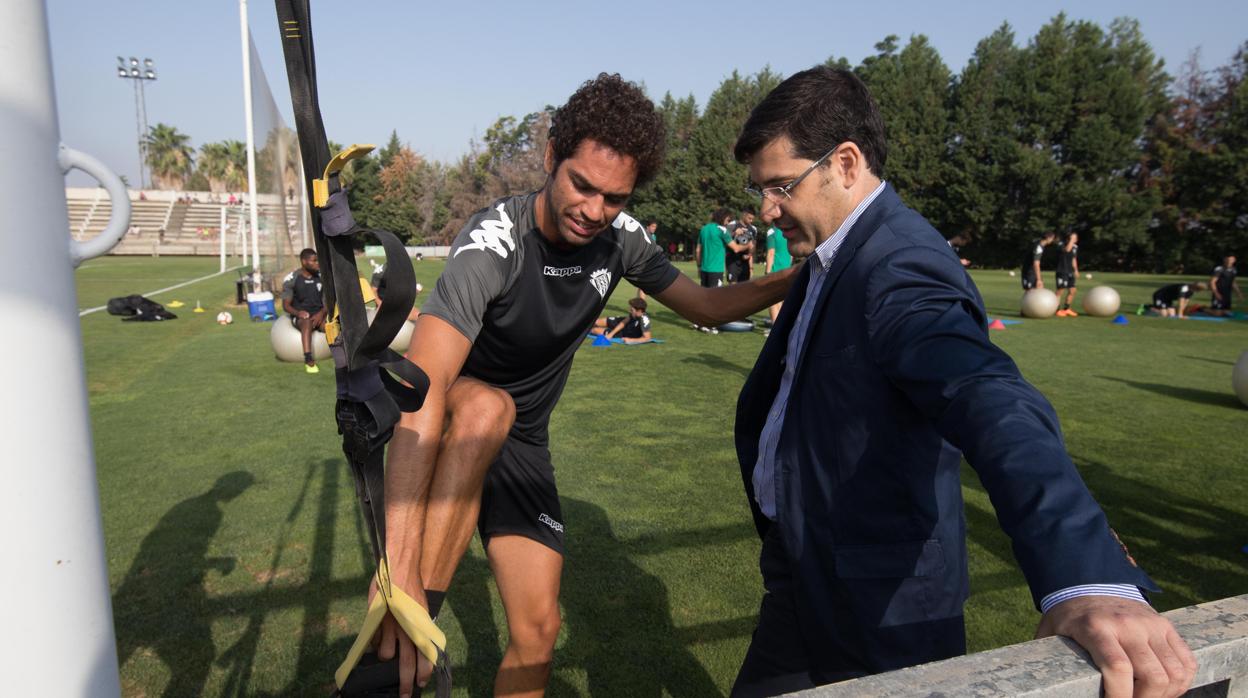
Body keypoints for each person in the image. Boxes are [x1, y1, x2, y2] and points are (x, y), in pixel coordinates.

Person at [730, 66, 1195, 697]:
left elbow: (987, 396)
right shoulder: (831, 254)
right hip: (804, 574)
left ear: (844, 163)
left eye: (780, 186)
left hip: (881, 603)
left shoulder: (897, 264)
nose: (767, 210)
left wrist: (1086, 576)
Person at [377, 73, 797, 697]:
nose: (593, 211)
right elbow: (423, 388)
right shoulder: (494, 242)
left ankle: (406, 636)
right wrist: (397, 569)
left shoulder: (619, 241)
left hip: (523, 448)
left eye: (614, 198)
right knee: (489, 406)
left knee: (539, 630)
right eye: (582, 185)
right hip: (452, 423)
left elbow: (706, 308)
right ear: (551, 159)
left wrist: (808, 269)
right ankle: (401, 635)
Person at [693, 207, 750, 333]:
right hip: (716, 269)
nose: (728, 222)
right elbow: (735, 248)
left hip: (704, 268)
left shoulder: (704, 229)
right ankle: (710, 325)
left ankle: (699, 322)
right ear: (723, 217)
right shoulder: (722, 230)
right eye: (728, 219)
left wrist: (698, 266)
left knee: (704, 297)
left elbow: (698, 250)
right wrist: (748, 245)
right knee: (714, 298)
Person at [280, 248, 326, 374]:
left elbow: (329, 301)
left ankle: (345, 354)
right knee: (306, 321)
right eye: (314, 261)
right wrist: (298, 313)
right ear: (304, 262)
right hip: (301, 316)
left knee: (332, 326)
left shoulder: (322, 276)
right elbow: (286, 305)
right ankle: (308, 358)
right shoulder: (292, 278)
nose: (318, 263)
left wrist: (321, 313)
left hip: (319, 314)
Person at [763, 224, 792, 335]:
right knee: (781, 301)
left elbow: (771, 253)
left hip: (775, 270)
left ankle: (775, 331)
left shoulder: (772, 232)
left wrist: (767, 272)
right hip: (787, 269)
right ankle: (780, 328)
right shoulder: (787, 230)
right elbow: (790, 255)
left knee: (773, 301)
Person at [727, 208, 759, 284]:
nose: (751, 221)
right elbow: (725, 240)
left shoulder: (753, 229)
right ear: (744, 215)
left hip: (745, 262)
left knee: (744, 286)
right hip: (732, 260)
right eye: (749, 218)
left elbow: (753, 245)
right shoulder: (732, 225)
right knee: (732, 286)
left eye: (752, 219)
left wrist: (749, 254)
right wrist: (734, 233)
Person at [1056, 231, 1080, 316]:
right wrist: (1071, 240)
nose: (1075, 239)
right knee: (1060, 290)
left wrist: (1076, 270)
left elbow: (1074, 259)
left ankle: (1067, 309)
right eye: (1073, 238)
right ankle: (1057, 309)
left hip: (1070, 271)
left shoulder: (1075, 247)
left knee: (1073, 290)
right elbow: (1067, 250)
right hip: (1062, 271)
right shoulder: (1061, 244)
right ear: (1068, 238)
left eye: (1075, 238)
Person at [636, 220, 660, 300]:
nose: (654, 228)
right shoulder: (642, 234)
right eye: (653, 226)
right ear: (647, 227)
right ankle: (641, 308)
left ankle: (636, 308)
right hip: (641, 263)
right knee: (643, 286)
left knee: (641, 286)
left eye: (655, 227)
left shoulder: (654, 237)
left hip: (648, 263)